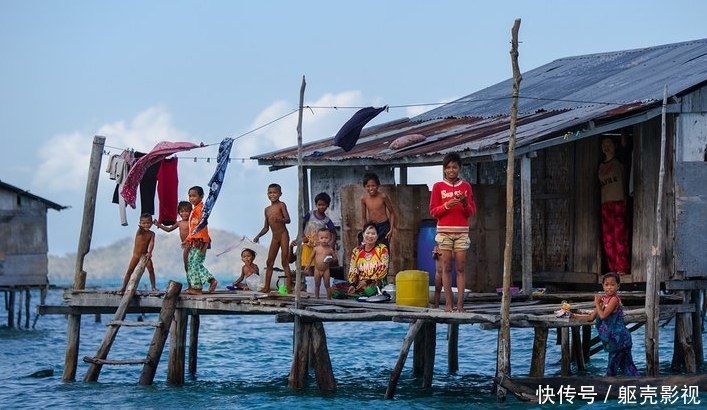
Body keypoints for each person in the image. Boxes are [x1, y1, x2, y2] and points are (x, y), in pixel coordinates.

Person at [429, 152, 476, 312]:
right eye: (448, 167)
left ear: (459, 169)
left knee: (461, 268)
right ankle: (449, 304)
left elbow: (470, 212)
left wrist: (464, 203)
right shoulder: (438, 187)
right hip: (444, 233)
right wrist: (447, 206)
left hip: (462, 233)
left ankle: (460, 305)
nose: (451, 170)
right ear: (444, 169)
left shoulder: (466, 187)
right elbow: (433, 212)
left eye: (454, 167)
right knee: (446, 267)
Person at [570, 272, 640, 377]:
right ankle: (637, 385)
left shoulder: (614, 300)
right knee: (627, 367)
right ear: (602, 286)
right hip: (615, 340)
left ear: (618, 286)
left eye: (612, 285)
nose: (609, 288)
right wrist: (574, 316)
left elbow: (602, 316)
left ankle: (611, 388)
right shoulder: (604, 301)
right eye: (606, 285)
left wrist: (597, 303)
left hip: (619, 339)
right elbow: (590, 318)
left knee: (613, 369)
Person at [598, 137, 630, 275]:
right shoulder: (600, 165)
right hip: (605, 204)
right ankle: (612, 269)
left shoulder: (620, 160)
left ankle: (622, 267)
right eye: (603, 145)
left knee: (620, 236)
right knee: (608, 239)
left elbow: (625, 147)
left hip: (618, 201)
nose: (606, 147)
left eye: (609, 144)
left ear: (615, 145)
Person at [253, 183, 293, 293]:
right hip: (275, 237)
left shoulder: (281, 205)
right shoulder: (267, 210)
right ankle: (266, 287)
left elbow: (288, 219)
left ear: (280, 194)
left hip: (283, 235)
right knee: (269, 262)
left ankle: (289, 287)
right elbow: (266, 227)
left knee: (284, 261)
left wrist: (279, 220)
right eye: (270, 193)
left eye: (275, 192)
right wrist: (258, 236)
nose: (272, 195)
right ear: (267, 194)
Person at [341, 222, 389, 298]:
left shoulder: (382, 249)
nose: (370, 236)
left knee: (369, 291)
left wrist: (367, 281)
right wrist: (353, 285)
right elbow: (353, 270)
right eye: (368, 233)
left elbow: (383, 269)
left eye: (373, 234)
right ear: (363, 234)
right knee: (337, 291)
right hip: (359, 284)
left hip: (375, 284)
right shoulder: (356, 251)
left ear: (377, 236)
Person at [185, 186, 218, 295]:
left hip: (200, 241)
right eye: (190, 196)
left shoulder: (201, 209)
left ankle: (208, 282)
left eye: (194, 196)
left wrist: (205, 242)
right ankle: (197, 287)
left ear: (201, 196)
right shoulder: (195, 209)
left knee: (195, 264)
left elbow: (202, 226)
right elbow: (193, 227)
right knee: (192, 264)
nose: (191, 198)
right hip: (194, 241)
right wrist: (188, 239)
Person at [154, 201, 192, 290]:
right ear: (179, 213)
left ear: (191, 212)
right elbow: (168, 229)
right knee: (186, 267)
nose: (184, 213)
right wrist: (158, 224)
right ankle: (190, 286)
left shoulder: (191, 222)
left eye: (187, 211)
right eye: (182, 211)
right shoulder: (179, 223)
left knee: (193, 266)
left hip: (192, 246)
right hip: (185, 247)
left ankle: (196, 286)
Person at [299, 192, 338, 276]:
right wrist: (302, 236)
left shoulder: (327, 220)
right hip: (307, 245)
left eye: (323, 205)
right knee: (307, 266)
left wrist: (332, 245)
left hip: (318, 248)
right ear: (316, 204)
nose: (321, 207)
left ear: (327, 205)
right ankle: (311, 282)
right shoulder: (310, 214)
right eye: (319, 204)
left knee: (318, 266)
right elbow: (301, 223)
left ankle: (315, 283)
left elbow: (334, 234)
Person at [119, 213, 158, 294]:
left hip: (145, 255)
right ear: (140, 223)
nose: (146, 225)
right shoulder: (139, 232)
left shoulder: (152, 234)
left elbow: (152, 243)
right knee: (130, 270)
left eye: (148, 223)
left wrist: (150, 252)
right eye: (143, 223)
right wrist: (140, 227)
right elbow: (140, 229)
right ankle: (123, 287)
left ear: (151, 224)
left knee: (151, 269)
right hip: (136, 255)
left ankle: (153, 287)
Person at [359, 172, 396, 248]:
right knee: (372, 249)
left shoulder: (383, 196)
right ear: (365, 187)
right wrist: (365, 231)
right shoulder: (364, 199)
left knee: (384, 249)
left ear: (378, 185)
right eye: (368, 186)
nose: (371, 188)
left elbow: (392, 213)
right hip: (372, 227)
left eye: (373, 185)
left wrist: (391, 230)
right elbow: (364, 217)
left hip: (384, 226)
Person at [304, 228, 338, 299]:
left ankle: (329, 298)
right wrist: (308, 265)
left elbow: (335, 259)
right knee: (317, 285)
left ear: (330, 238)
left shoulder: (330, 249)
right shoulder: (316, 248)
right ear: (318, 238)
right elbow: (311, 257)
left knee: (327, 285)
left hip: (326, 270)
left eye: (326, 238)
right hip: (317, 269)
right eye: (321, 238)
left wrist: (331, 260)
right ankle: (317, 297)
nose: (324, 240)